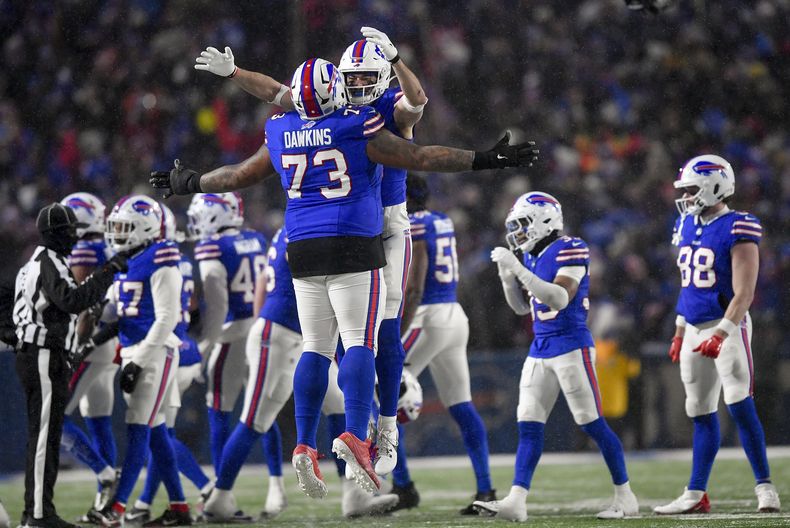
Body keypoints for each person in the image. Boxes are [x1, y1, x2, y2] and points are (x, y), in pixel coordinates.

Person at [151, 56, 537, 498]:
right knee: (359, 342)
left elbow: (238, 175)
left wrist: (190, 182)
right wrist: (486, 159)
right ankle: (356, 433)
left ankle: (303, 443)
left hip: (302, 249)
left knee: (315, 348)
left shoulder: (281, 128)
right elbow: (421, 157)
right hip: (354, 242)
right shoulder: (355, 124)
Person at [195, 27, 429, 475]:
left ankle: (385, 428)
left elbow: (416, 101)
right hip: (348, 232)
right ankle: (355, 428)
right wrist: (236, 72)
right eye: (351, 78)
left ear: (382, 77)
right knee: (344, 338)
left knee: (383, 327)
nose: (358, 86)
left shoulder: (384, 107)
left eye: (366, 78)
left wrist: (397, 58)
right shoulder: (331, 103)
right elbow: (277, 93)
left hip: (387, 225)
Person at [203, 224, 398, 519]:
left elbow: (262, 283)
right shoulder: (316, 226)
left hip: (299, 338)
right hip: (281, 334)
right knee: (254, 420)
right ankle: (219, 497)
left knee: (340, 408)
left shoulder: (293, 227)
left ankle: (354, 495)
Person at [474, 192, 639, 521]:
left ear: (543, 221)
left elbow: (560, 298)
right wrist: (509, 278)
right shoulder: (533, 256)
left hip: (571, 345)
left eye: (522, 224)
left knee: (591, 424)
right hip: (541, 346)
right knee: (529, 425)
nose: (518, 232)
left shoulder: (570, 247)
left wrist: (517, 271)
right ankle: (517, 500)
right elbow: (523, 307)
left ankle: (626, 497)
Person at [654, 155, 781, 514]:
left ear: (715, 185)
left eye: (693, 188)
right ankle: (695, 493)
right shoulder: (686, 224)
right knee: (699, 409)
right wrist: (680, 329)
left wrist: (723, 332)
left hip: (727, 324)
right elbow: (688, 286)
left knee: (739, 404)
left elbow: (745, 293)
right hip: (693, 326)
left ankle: (765, 487)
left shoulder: (739, 225)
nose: (687, 196)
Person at [13, 202, 126, 528]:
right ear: (56, 234)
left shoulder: (34, 262)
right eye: (67, 232)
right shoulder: (49, 262)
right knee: (45, 438)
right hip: (43, 354)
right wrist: (108, 271)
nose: (73, 238)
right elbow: (73, 301)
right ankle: (37, 514)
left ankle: (37, 512)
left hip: (38, 352)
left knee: (45, 437)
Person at [390, 174, 494, 514]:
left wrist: (397, 332)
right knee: (461, 405)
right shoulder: (441, 220)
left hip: (427, 317)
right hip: (452, 314)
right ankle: (486, 489)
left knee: (385, 394)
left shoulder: (413, 224)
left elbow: (415, 285)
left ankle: (403, 486)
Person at [89, 196, 190, 528]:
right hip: (134, 349)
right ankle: (179, 508)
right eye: (115, 227)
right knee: (156, 432)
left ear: (145, 228)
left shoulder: (161, 257)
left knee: (137, 428)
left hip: (156, 351)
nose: (117, 233)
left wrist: (138, 361)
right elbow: (116, 313)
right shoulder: (127, 259)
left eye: (124, 227)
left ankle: (116, 510)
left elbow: (166, 318)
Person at [124, 203, 214, 524]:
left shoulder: (154, 260)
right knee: (159, 431)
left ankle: (206, 488)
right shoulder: (181, 260)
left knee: (158, 432)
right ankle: (146, 503)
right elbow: (191, 306)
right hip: (185, 348)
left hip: (168, 351)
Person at [186, 192, 276, 480]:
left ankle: (221, 487)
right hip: (259, 329)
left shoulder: (213, 246)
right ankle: (277, 484)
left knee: (219, 412)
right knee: (261, 410)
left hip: (231, 334)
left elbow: (218, 306)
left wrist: (204, 346)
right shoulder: (255, 238)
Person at [56, 192, 119, 520]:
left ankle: (105, 474)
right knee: (99, 420)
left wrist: (75, 346)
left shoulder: (85, 249)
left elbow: (80, 304)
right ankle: (106, 505)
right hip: (107, 342)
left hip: (91, 343)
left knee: (53, 415)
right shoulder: (107, 247)